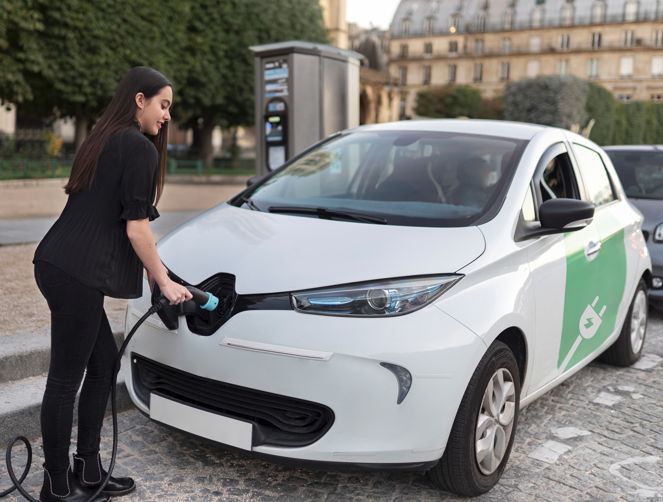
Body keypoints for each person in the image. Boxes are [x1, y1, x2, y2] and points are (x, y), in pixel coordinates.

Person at [32, 66, 192, 502]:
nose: (167, 117)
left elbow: (118, 219)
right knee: (65, 380)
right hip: (74, 272)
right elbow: (135, 229)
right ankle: (57, 485)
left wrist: (163, 274)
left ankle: (87, 467)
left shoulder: (102, 139)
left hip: (60, 264)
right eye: (163, 105)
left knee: (103, 366)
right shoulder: (138, 147)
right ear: (139, 100)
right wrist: (164, 283)